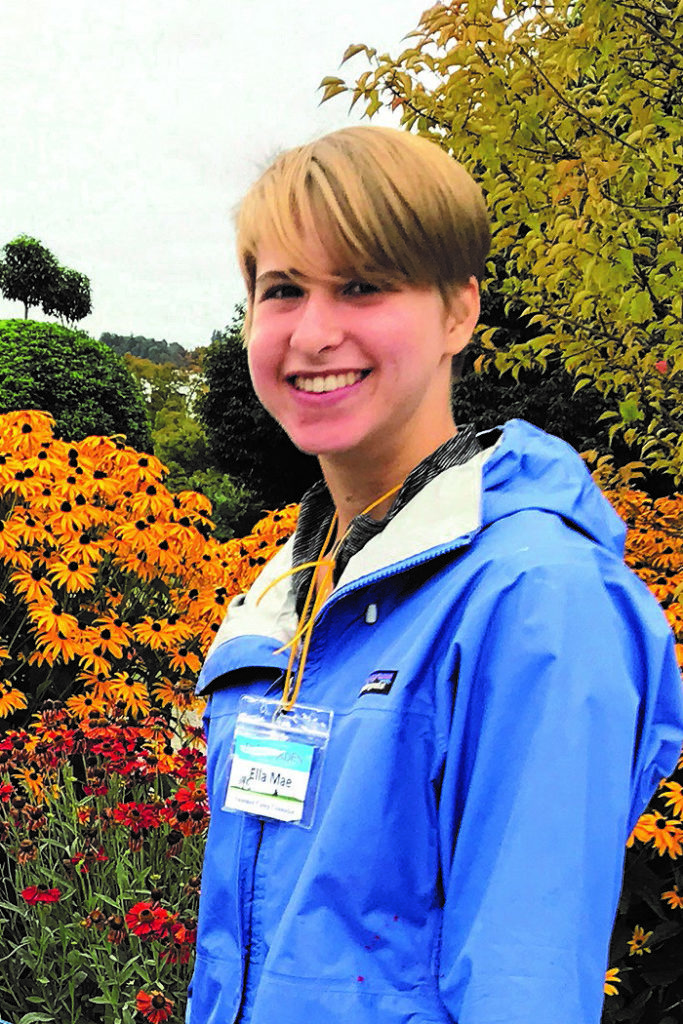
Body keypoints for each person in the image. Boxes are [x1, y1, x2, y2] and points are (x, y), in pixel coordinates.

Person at [186, 126, 683, 1024]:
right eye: (283, 290)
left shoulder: (536, 599)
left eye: (364, 285)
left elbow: (522, 988)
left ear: (459, 311)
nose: (314, 331)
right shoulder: (291, 595)